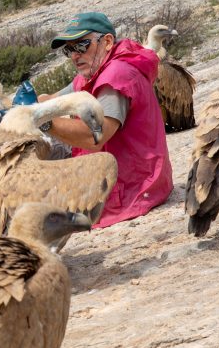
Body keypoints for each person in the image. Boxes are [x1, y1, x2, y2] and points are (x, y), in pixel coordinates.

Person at [41, 12, 173, 227]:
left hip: (132, 188)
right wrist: (28, 105)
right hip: (123, 177)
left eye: (81, 46)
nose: (74, 55)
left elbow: (95, 137)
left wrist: (44, 121)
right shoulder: (92, 72)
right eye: (69, 50)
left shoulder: (116, 76)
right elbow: (53, 99)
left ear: (108, 41)